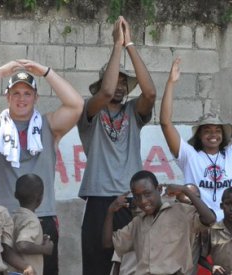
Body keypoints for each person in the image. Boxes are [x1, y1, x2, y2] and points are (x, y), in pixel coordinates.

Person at [0, 59, 84, 274]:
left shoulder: (49, 125)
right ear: (7, 97)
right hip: (0, 218)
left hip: (41, 216)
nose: (21, 98)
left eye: (27, 93)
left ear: (36, 98)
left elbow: (76, 105)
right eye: (16, 93)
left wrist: (47, 72)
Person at [77, 16, 156, 275]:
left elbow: (151, 93)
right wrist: (116, 45)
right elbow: (107, 92)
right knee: (97, 265)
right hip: (99, 200)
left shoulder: (134, 111)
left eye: (125, 82)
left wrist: (129, 43)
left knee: (134, 265)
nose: (120, 87)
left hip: (132, 199)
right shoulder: (91, 110)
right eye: (117, 80)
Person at [160, 57, 232, 221]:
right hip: (199, 223)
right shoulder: (190, 156)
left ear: (223, 135)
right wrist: (170, 83)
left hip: (229, 225)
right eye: (207, 130)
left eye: (218, 130)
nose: (213, 135)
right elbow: (165, 123)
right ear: (199, 135)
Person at [102, 170, 216, 275]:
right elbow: (108, 244)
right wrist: (110, 211)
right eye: (137, 197)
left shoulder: (181, 211)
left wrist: (184, 190)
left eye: (147, 194)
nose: (143, 201)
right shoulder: (137, 223)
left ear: (159, 189)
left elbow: (209, 219)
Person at [9, 173, 54, 275]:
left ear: (15, 195)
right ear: (40, 198)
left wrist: (38, 239)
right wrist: (45, 249)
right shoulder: (31, 220)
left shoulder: (14, 216)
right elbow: (22, 245)